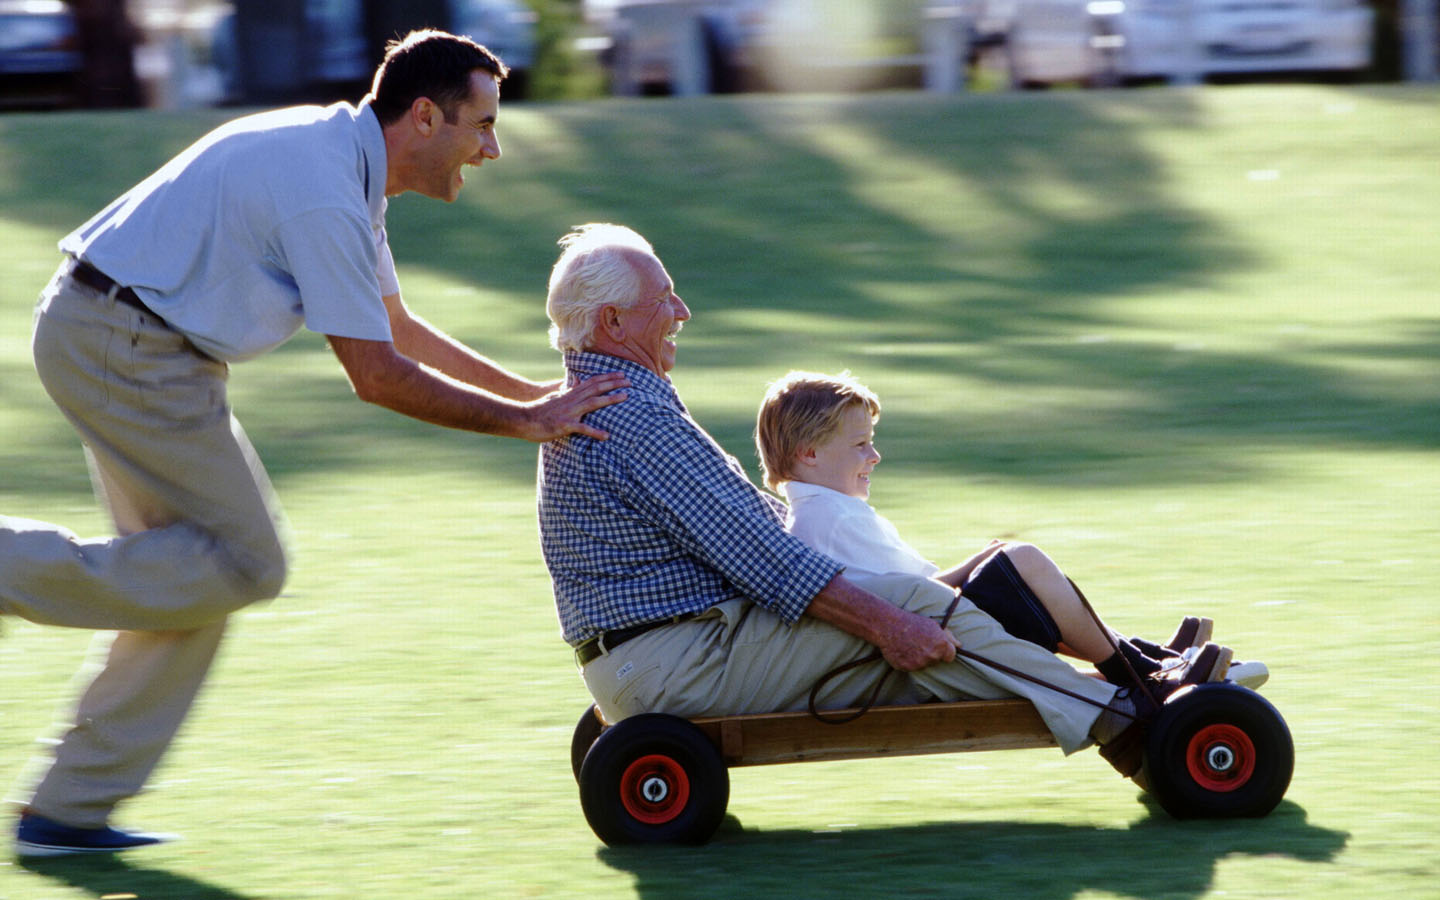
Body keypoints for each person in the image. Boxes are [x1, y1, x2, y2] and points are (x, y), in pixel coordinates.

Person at [0, 30, 629, 858]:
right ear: (427, 116)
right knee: (248, 561)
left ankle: (66, 812)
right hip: (125, 343)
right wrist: (525, 425)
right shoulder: (328, 190)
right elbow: (376, 375)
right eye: (482, 125)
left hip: (130, 340)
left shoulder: (347, 166)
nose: (493, 148)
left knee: (193, 573)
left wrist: (540, 398)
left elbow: (399, 329)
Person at [536, 223, 1227, 792]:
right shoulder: (633, 418)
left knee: (918, 597)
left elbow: (747, 532)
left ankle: (1126, 680)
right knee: (917, 609)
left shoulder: (603, 400)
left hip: (652, 658)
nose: (682, 311)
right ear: (613, 320)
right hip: (678, 662)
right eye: (666, 299)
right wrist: (890, 622)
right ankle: (1130, 717)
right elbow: (769, 562)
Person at [753, 370, 1267, 690]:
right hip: (927, 648)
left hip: (928, 630)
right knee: (1023, 561)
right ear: (811, 453)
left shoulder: (822, 513)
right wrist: (982, 563)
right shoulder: (831, 518)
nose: (875, 455)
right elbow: (915, 599)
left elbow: (905, 589)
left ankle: (1146, 658)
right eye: (860, 445)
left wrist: (979, 561)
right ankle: (1138, 671)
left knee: (1014, 567)